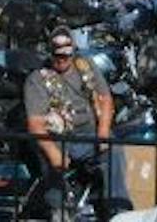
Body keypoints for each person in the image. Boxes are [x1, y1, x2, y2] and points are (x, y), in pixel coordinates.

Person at [23, 29, 120, 213]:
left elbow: (105, 99)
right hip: (58, 138)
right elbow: (35, 124)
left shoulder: (86, 66)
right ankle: (58, 210)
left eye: (66, 56)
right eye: (57, 55)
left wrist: (104, 132)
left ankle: (116, 210)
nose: (61, 60)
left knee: (114, 152)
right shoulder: (37, 79)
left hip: (89, 134)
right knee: (49, 161)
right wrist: (53, 153)